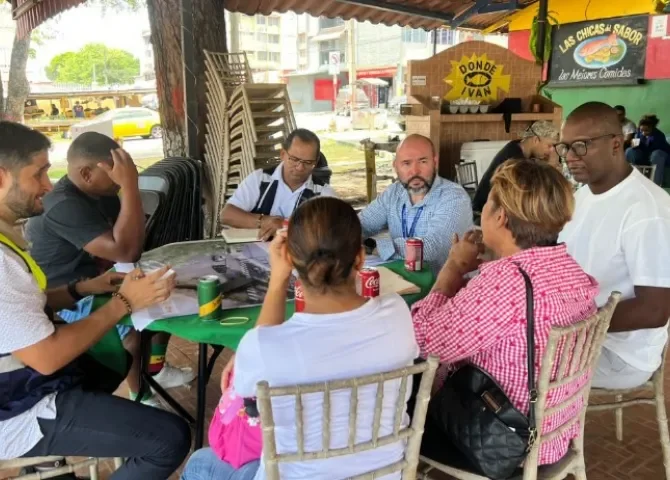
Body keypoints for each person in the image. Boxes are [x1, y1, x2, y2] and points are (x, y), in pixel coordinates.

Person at [0, 121, 190, 478]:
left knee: (110, 365)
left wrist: (82, 289)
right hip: (16, 409)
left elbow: (25, 305)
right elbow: (47, 357)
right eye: (38, 173)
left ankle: (59, 454)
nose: (48, 185)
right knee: (170, 439)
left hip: (26, 382)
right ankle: (53, 447)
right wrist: (123, 302)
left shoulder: (7, 238)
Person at [182, 196, 419, 480]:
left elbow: (245, 387)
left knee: (199, 463)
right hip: (384, 475)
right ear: (360, 258)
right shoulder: (398, 313)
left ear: (291, 261)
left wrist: (278, 280)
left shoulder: (265, 347)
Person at [412, 158, 598, 468]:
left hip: (504, 443)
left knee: (404, 394)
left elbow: (423, 340)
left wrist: (454, 268)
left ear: (499, 216)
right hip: (555, 431)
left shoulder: (506, 283)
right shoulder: (570, 269)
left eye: (486, 204)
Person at [26, 132, 195, 406]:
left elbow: (132, 239)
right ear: (86, 173)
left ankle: (155, 369)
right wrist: (129, 186)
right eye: (115, 171)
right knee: (132, 334)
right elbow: (126, 250)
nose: (120, 177)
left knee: (165, 298)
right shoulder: (63, 204)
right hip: (67, 292)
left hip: (102, 278)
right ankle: (140, 395)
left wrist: (125, 190)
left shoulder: (102, 193)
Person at [558, 102, 670, 390]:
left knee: (510, 364)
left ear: (616, 144)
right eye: (565, 147)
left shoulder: (647, 210)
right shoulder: (582, 197)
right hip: (579, 333)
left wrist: (568, 324)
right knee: (496, 347)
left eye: (581, 146)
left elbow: (655, 310)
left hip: (621, 353)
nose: (569, 157)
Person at [358, 134, 472, 272]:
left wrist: (374, 246)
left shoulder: (454, 197)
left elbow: (432, 247)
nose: (415, 171)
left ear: (435, 162)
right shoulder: (394, 192)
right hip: (403, 277)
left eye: (423, 161)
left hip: (444, 283)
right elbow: (361, 224)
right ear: (395, 166)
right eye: (406, 163)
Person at [219, 128, 337, 241]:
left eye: (308, 162)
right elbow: (227, 215)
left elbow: (336, 230)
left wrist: (285, 225)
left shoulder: (323, 193)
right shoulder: (260, 180)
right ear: (282, 154)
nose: (300, 167)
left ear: (316, 162)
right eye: (294, 159)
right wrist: (264, 221)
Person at [472, 121, 559, 213]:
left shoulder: (516, 145)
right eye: (549, 145)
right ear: (535, 140)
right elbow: (533, 193)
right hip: (484, 212)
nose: (552, 150)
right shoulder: (515, 160)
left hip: (494, 208)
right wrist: (550, 168)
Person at [625, 114, 670, 185]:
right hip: (646, 155)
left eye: (646, 130)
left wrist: (647, 141)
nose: (643, 133)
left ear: (652, 128)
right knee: (629, 151)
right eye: (641, 130)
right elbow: (638, 145)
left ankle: (655, 185)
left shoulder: (659, 135)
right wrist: (634, 145)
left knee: (656, 154)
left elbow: (655, 149)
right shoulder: (639, 133)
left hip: (661, 156)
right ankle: (632, 181)